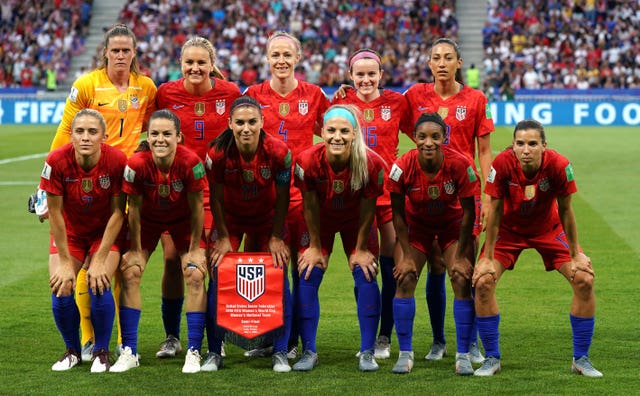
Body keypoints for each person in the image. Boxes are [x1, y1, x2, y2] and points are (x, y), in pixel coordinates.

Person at [48, 23, 157, 362]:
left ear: (134, 52)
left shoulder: (147, 87)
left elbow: (152, 135)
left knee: (122, 268)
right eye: (115, 50)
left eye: (127, 50)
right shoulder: (86, 85)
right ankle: (87, 340)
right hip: (89, 180)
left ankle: (125, 344)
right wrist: (50, 178)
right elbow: (66, 131)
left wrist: (139, 167)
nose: (121, 55)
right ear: (106, 52)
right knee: (85, 272)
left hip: (126, 183)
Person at [472, 119, 602, 377]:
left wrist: (575, 254)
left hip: (548, 230)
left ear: (544, 146)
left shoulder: (560, 166)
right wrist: (487, 258)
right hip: (508, 231)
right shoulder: (501, 165)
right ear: (513, 146)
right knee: (483, 282)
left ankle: (581, 359)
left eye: (532, 143)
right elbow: (495, 213)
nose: (526, 149)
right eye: (520, 143)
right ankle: (492, 358)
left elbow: (566, 211)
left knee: (585, 280)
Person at [403, 37, 494, 363]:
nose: (441, 63)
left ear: (459, 63)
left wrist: (489, 193)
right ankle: (439, 341)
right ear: (429, 64)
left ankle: (469, 343)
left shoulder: (475, 98)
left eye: (448, 58)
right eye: (436, 58)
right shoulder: (414, 96)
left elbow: (484, 151)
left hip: (464, 198)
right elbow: (387, 121)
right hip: (426, 198)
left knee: (464, 269)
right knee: (436, 268)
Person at [244, 30, 330, 358]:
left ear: (298, 58)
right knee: (268, 270)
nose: (281, 60)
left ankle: (297, 342)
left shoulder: (314, 95)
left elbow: (335, 129)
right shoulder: (253, 93)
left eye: (286, 55)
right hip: (264, 199)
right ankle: (271, 339)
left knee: (301, 269)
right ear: (267, 59)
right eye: (275, 55)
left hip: (302, 197)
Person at [155, 36, 241, 361]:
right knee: (171, 260)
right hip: (174, 192)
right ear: (181, 64)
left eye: (201, 62)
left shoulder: (230, 93)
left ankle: (214, 342)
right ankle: (172, 336)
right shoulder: (166, 93)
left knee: (213, 265)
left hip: (218, 193)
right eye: (189, 62)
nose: (195, 68)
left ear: (211, 64)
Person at [332, 48, 413, 360]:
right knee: (363, 268)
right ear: (351, 77)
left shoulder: (397, 102)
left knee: (393, 269)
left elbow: (420, 134)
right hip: (356, 197)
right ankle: (368, 332)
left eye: (371, 74)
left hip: (390, 196)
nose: (366, 79)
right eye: (359, 74)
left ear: (381, 75)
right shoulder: (341, 104)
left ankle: (384, 337)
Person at [112, 109, 207, 373]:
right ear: (148, 136)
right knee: (130, 272)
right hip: (149, 223)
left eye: (167, 134)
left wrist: (197, 249)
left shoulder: (191, 162)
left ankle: (194, 350)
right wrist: (133, 250)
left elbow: (198, 208)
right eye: (154, 134)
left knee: (196, 274)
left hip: (183, 223)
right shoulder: (136, 164)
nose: (160, 139)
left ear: (179, 137)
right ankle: (129, 350)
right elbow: (136, 209)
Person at [292, 104, 385, 372]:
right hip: (319, 220)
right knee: (308, 273)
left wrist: (360, 249)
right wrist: (314, 247)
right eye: (331, 130)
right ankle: (309, 351)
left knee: (366, 273)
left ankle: (367, 352)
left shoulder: (372, 163)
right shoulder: (307, 160)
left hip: (356, 221)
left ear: (354, 133)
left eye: (344, 131)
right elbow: (308, 205)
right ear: (322, 132)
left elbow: (369, 210)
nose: (337, 136)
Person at [204, 96, 293, 372]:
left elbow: (282, 198)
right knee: (218, 272)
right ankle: (213, 350)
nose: (246, 128)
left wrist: (276, 236)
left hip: (267, 219)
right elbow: (216, 198)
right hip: (230, 219)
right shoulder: (216, 154)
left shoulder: (279, 152)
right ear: (229, 123)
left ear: (262, 123)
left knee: (279, 273)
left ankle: (279, 350)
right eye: (240, 122)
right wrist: (221, 237)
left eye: (252, 122)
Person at [387, 112, 479, 375]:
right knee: (404, 277)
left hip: (452, 227)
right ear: (414, 138)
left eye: (435, 137)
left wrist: (461, 255)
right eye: (422, 137)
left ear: (444, 138)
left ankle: (462, 354)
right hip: (417, 229)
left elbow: (469, 214)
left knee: (461, 277)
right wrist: (405, 255)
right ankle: (405, 353)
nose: (429, 142)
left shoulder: (460, 164)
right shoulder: (401, 167)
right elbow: (398, 216)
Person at [43, 109, 127, 372]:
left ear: (104, 135)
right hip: (70, 233)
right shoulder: (56, 161)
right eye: (80, 131)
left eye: (92, 131)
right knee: (61, 286)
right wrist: (66, 263)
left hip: (105, 232)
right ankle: (72, 351)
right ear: (71, 135)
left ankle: (101, 351)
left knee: (99, 282)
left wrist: (100, 258)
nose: (86, 137)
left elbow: (118, 212)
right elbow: (55, 213)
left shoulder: (116, 160)